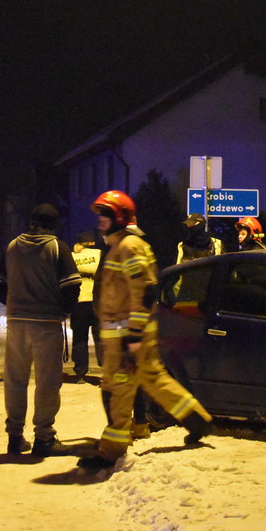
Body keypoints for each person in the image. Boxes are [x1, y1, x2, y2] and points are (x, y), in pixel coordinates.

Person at [78, 191, 213, 471]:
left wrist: (135, 335)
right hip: (126, 334)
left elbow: (145, 290)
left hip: (128, 335)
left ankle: (110, 451)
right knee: (154, 380)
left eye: (105, 214)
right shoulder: (120, 245)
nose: (100, 220)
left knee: (116, 389)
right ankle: (196, 418)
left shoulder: (129, 246)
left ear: (118, 217)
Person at [0, 203, 81, 457]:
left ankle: (15, 437)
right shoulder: (57, 247)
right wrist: (65, 310)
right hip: (47, 323)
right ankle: (44, 437)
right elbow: (71, 285)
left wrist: (12, 302)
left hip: (16, 323)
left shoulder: (13, 246)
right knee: (47, 382)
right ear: (54, 224)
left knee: (15, 380)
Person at [70, 231, 103, 383]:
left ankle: (80, 373)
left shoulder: (72, 257)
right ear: (92, 242)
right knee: (101, 338)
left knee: (80, 338)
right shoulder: (99, 254)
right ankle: (107, 369)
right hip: (97, 302)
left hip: (78, 302)